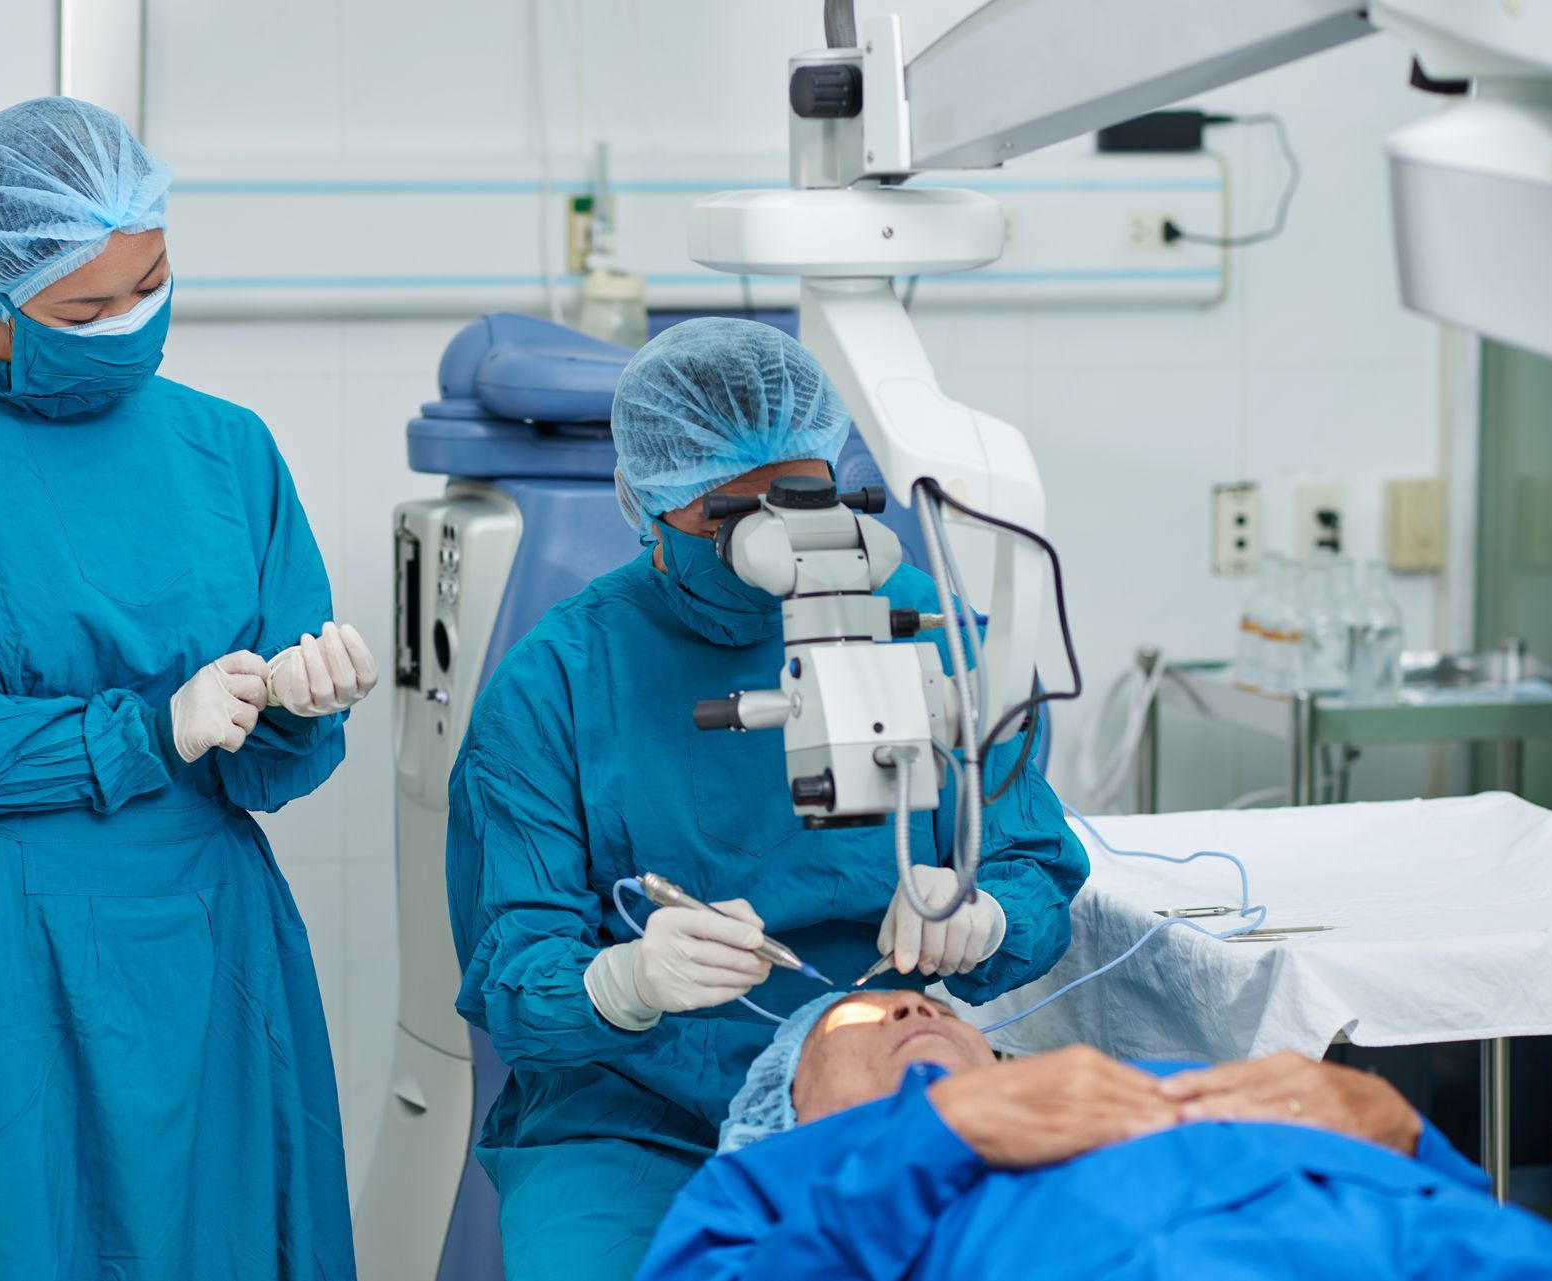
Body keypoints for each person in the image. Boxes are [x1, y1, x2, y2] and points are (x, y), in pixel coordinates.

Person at [0, 98, 376, 1281]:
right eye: (86, 309)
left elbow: (264, 762)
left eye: (151, 286)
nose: (128, 327)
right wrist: (146, 730)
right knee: (7, 1236)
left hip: (206, 939)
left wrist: (301, 710)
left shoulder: (230, 452)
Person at [445, 318, 1090, 1279]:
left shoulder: (926, 623)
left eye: (802, 502)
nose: (774, 546)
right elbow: (515, 971)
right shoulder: (557, 683)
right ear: (641, 504)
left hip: (867, 1080)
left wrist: (990, 917)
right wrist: (622, 983)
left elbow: (1028, 855)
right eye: (726, 520)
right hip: (630, 1115)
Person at [638, 989, 1552, 1280]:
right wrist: (930, 1139)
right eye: (855, 1019)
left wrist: (1402, 1127)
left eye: (933, 1005)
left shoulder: (1152, 1079)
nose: (912, 1002)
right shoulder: (773, 1187)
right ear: (785, 1109)